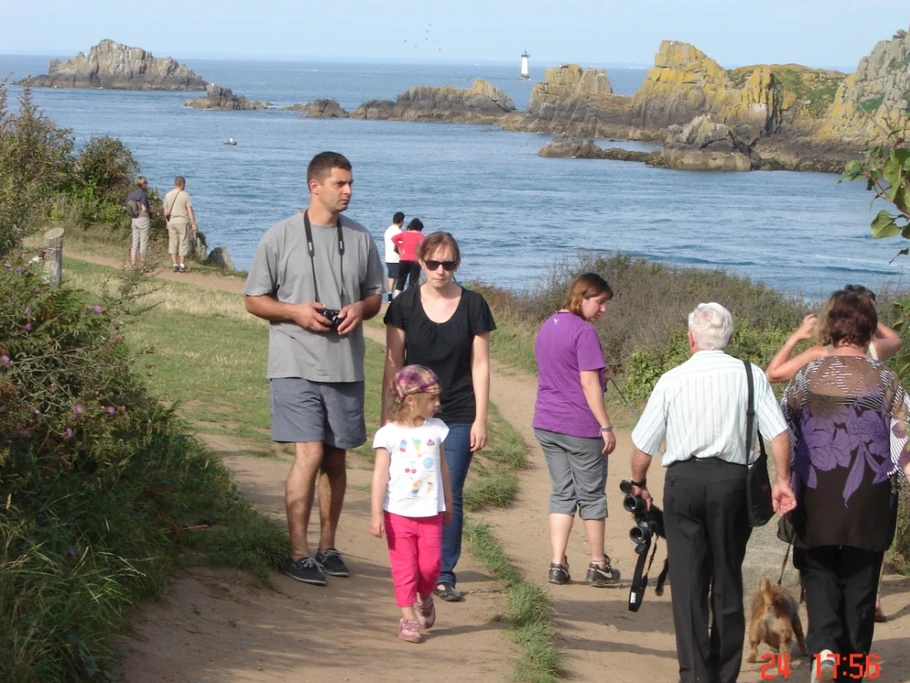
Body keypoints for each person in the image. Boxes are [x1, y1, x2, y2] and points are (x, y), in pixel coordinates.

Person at [629, 302, 796, 683]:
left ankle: (694, 674)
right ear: (731, 339)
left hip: (684, 482)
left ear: (691, 339)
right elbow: (779, 435)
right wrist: (783, 480)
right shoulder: (751, 376)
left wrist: (639, 483)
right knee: (726, 578)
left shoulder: (672, 379)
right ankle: (724, 674)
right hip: (732, 484)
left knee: (687, 583)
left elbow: (643, 447)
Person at [243, 151, 384, 586]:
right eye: (340, 183)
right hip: (294, 363)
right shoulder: (279, 236)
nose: (348, 191)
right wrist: (294, 313)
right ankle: (298, 552)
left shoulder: (360, 237)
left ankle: (328, 546)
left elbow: (375, 297)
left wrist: (360, 308)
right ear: (315, 185)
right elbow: (253, 299)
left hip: (345, 364)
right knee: (311, 452)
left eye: (350, 183)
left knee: (337, 458)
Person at [782, 291, 910, 682]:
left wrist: (784, 482)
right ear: (868, 328)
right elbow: (903, 439)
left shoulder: (807, 376)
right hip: (869, 497)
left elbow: (786, 430)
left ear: (830, 328)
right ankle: (852, 668)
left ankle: (823, 650)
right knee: (860, 585)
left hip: (816, 493)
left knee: (818, 576)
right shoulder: (886, 378)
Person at [382, 231, 495, 602]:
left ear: (457, 264)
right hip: (412, 414)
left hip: (459, 412)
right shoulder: (404, 306)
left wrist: (481, 418)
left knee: (450, 492)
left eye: (448, 264)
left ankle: (443, 572)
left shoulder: (474, 305)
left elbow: (480, 365)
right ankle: (413, 565)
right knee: (411, 487)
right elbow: (393, 364)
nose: (441, 270)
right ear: (421, 262)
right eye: (433, 263)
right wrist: (388, 414)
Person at [533, 272, 621, 587]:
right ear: (582, 297)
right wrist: (605, 425)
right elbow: (586, 383)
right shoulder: (584, 333)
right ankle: (598, 564)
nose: (603, 309)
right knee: (592, 495)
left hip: (546, 422)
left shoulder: (547, 326)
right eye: (599, 302)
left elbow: (562, 372)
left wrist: (600, 377)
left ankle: (557, 563)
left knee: (562, 491)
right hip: (579, 426)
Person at [371, 365, 454, 643]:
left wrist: (449, 503)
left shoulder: (436, 430)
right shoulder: (388, 434)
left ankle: (425, 597)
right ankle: (407, 620)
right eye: (432, 399)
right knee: (404, 568)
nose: (437, 404)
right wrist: (376, 514)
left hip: (430, 512)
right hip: (397, 514)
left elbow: (443, 468)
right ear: (411, 399)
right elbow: (380, 475)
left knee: (430, 568)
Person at [765, 284, 902, 384]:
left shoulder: (820, 354)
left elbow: (772, 375)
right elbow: (896, 341)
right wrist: (864, 312)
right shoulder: (874, 349)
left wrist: (795, 337)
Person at [163, 176, 198, 273]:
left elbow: (165, 210)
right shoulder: (185, 195)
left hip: (172, 221)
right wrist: (193, 223)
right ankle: (182, 265)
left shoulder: (168, 195)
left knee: (173, 243)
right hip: (182, 221)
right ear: (182, 184)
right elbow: (190, 210)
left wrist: (167, 222)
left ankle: (175, 264)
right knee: (183, 242)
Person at [391, 217, 425, 295]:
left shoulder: (404, 234)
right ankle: (410, 298)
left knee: (400, 280)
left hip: (404, 259)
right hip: (415, 260)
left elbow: (393, 238)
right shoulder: (421, 236)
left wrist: (401, 245)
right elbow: (424, 247)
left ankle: (396, 299)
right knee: (413, 282)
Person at [124, 176, 152, 268]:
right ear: (143, 184)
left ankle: (133, 263)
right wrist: (151, 211)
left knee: (135, 242)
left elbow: (124, 206)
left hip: (134, 219)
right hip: (143, 219)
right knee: (143, 242)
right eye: (146, 183)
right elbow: (144, 208)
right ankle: (142, 264)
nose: (147, 185)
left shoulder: (131, 194)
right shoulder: (142, 194)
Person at [383, 211, 405, 302]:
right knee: (399, 278)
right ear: (401, 221)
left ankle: (389, 297)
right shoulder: (398, 232)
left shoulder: (388, 230)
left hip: (388, 257)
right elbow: (399, 245)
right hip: (396, 258)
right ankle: (396, 297)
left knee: (392, 277)